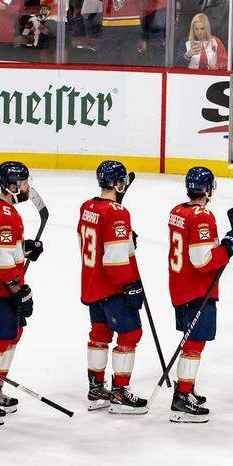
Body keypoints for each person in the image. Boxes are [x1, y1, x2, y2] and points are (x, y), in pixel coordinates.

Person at [165, 166, 233, 423]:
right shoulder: (202, 216)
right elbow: (202, 260)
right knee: (194, 343)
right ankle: (182, 396)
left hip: (180, 285)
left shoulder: (177, 210)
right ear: (208, 189)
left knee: (191, 341)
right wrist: (228, 247)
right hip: (197, 289)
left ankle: (185, 387)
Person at [0, 161, 42, 424]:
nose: (28, 187)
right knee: (0, 341)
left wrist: (24, 248)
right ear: (11, 186)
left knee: (12, 335)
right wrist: (17, 290)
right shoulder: (5, 215)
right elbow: (0, 262)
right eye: (24, 183)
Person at [78, 160, 147, 414]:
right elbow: (115, 258)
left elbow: (93, 241)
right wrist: (130, 285)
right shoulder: (117, 212)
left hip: (92, 283)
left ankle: (96, 388)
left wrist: (126, 239)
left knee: (99, 333)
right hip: (112, 287)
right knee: (130, 335)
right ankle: (119, 392)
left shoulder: (88, 207)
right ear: (119, 184)